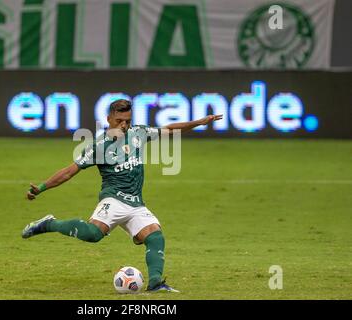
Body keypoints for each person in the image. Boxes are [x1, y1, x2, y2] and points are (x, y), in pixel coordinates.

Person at [22, 99, 222, 292]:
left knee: (155, 237)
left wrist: (199, 122)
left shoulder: (138, 133)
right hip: (113, 199)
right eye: (119, 121)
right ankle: (50, 224)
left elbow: (169, 130)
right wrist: (41, 187)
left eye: (127, 120)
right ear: (109, 119)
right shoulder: (99, 146)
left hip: (136, 203)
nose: (124, 125)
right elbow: (69, 171)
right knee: (93, 235)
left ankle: (155, 284)